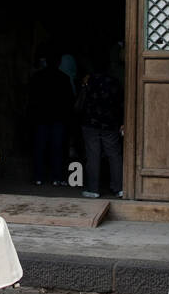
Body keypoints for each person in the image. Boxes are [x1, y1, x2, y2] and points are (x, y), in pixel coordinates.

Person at [78, 52, 124, 199]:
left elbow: (81, 100)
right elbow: (120, 102)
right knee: (114, 155)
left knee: (93, 155)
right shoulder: (114, 81)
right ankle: (119, 188)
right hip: (110, 123)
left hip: (90, 123)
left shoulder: (88, 80)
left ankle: (93, 189)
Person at [28, 49, 75, 186]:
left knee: (40, 148)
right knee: (57, 149)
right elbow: (69, 100)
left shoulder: (37, 77)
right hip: (58, 119)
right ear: (59, 62)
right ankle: (57, 178)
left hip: (41, 118)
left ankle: (38, 177)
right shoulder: (63, 78)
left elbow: (31, 98)